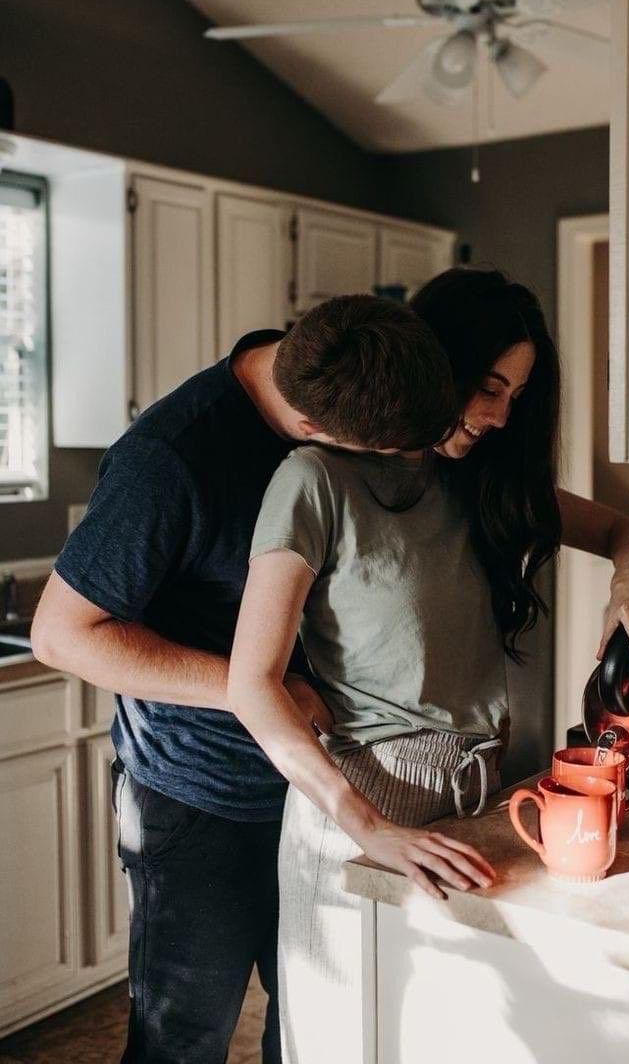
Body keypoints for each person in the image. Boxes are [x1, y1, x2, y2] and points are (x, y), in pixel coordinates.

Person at [225, 268, 629, 1064]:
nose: (500, 417)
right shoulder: (315, 481)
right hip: (362, 812)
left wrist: (628, 580)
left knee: (450, 1039)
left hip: (484, 796)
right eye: (487, 388)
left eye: (516, 397)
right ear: (438, 368)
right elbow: (249, 682)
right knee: (343, 1043)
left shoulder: (479, 484)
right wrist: (371, 829)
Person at [30, 294, 462, 1064]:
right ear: (314, 433)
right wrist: (252, 683)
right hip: (200, 795)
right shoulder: (169, 460)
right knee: (184, 1038)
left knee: (307, 1026)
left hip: (314, 785)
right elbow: (62, 635)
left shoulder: (339, 374)